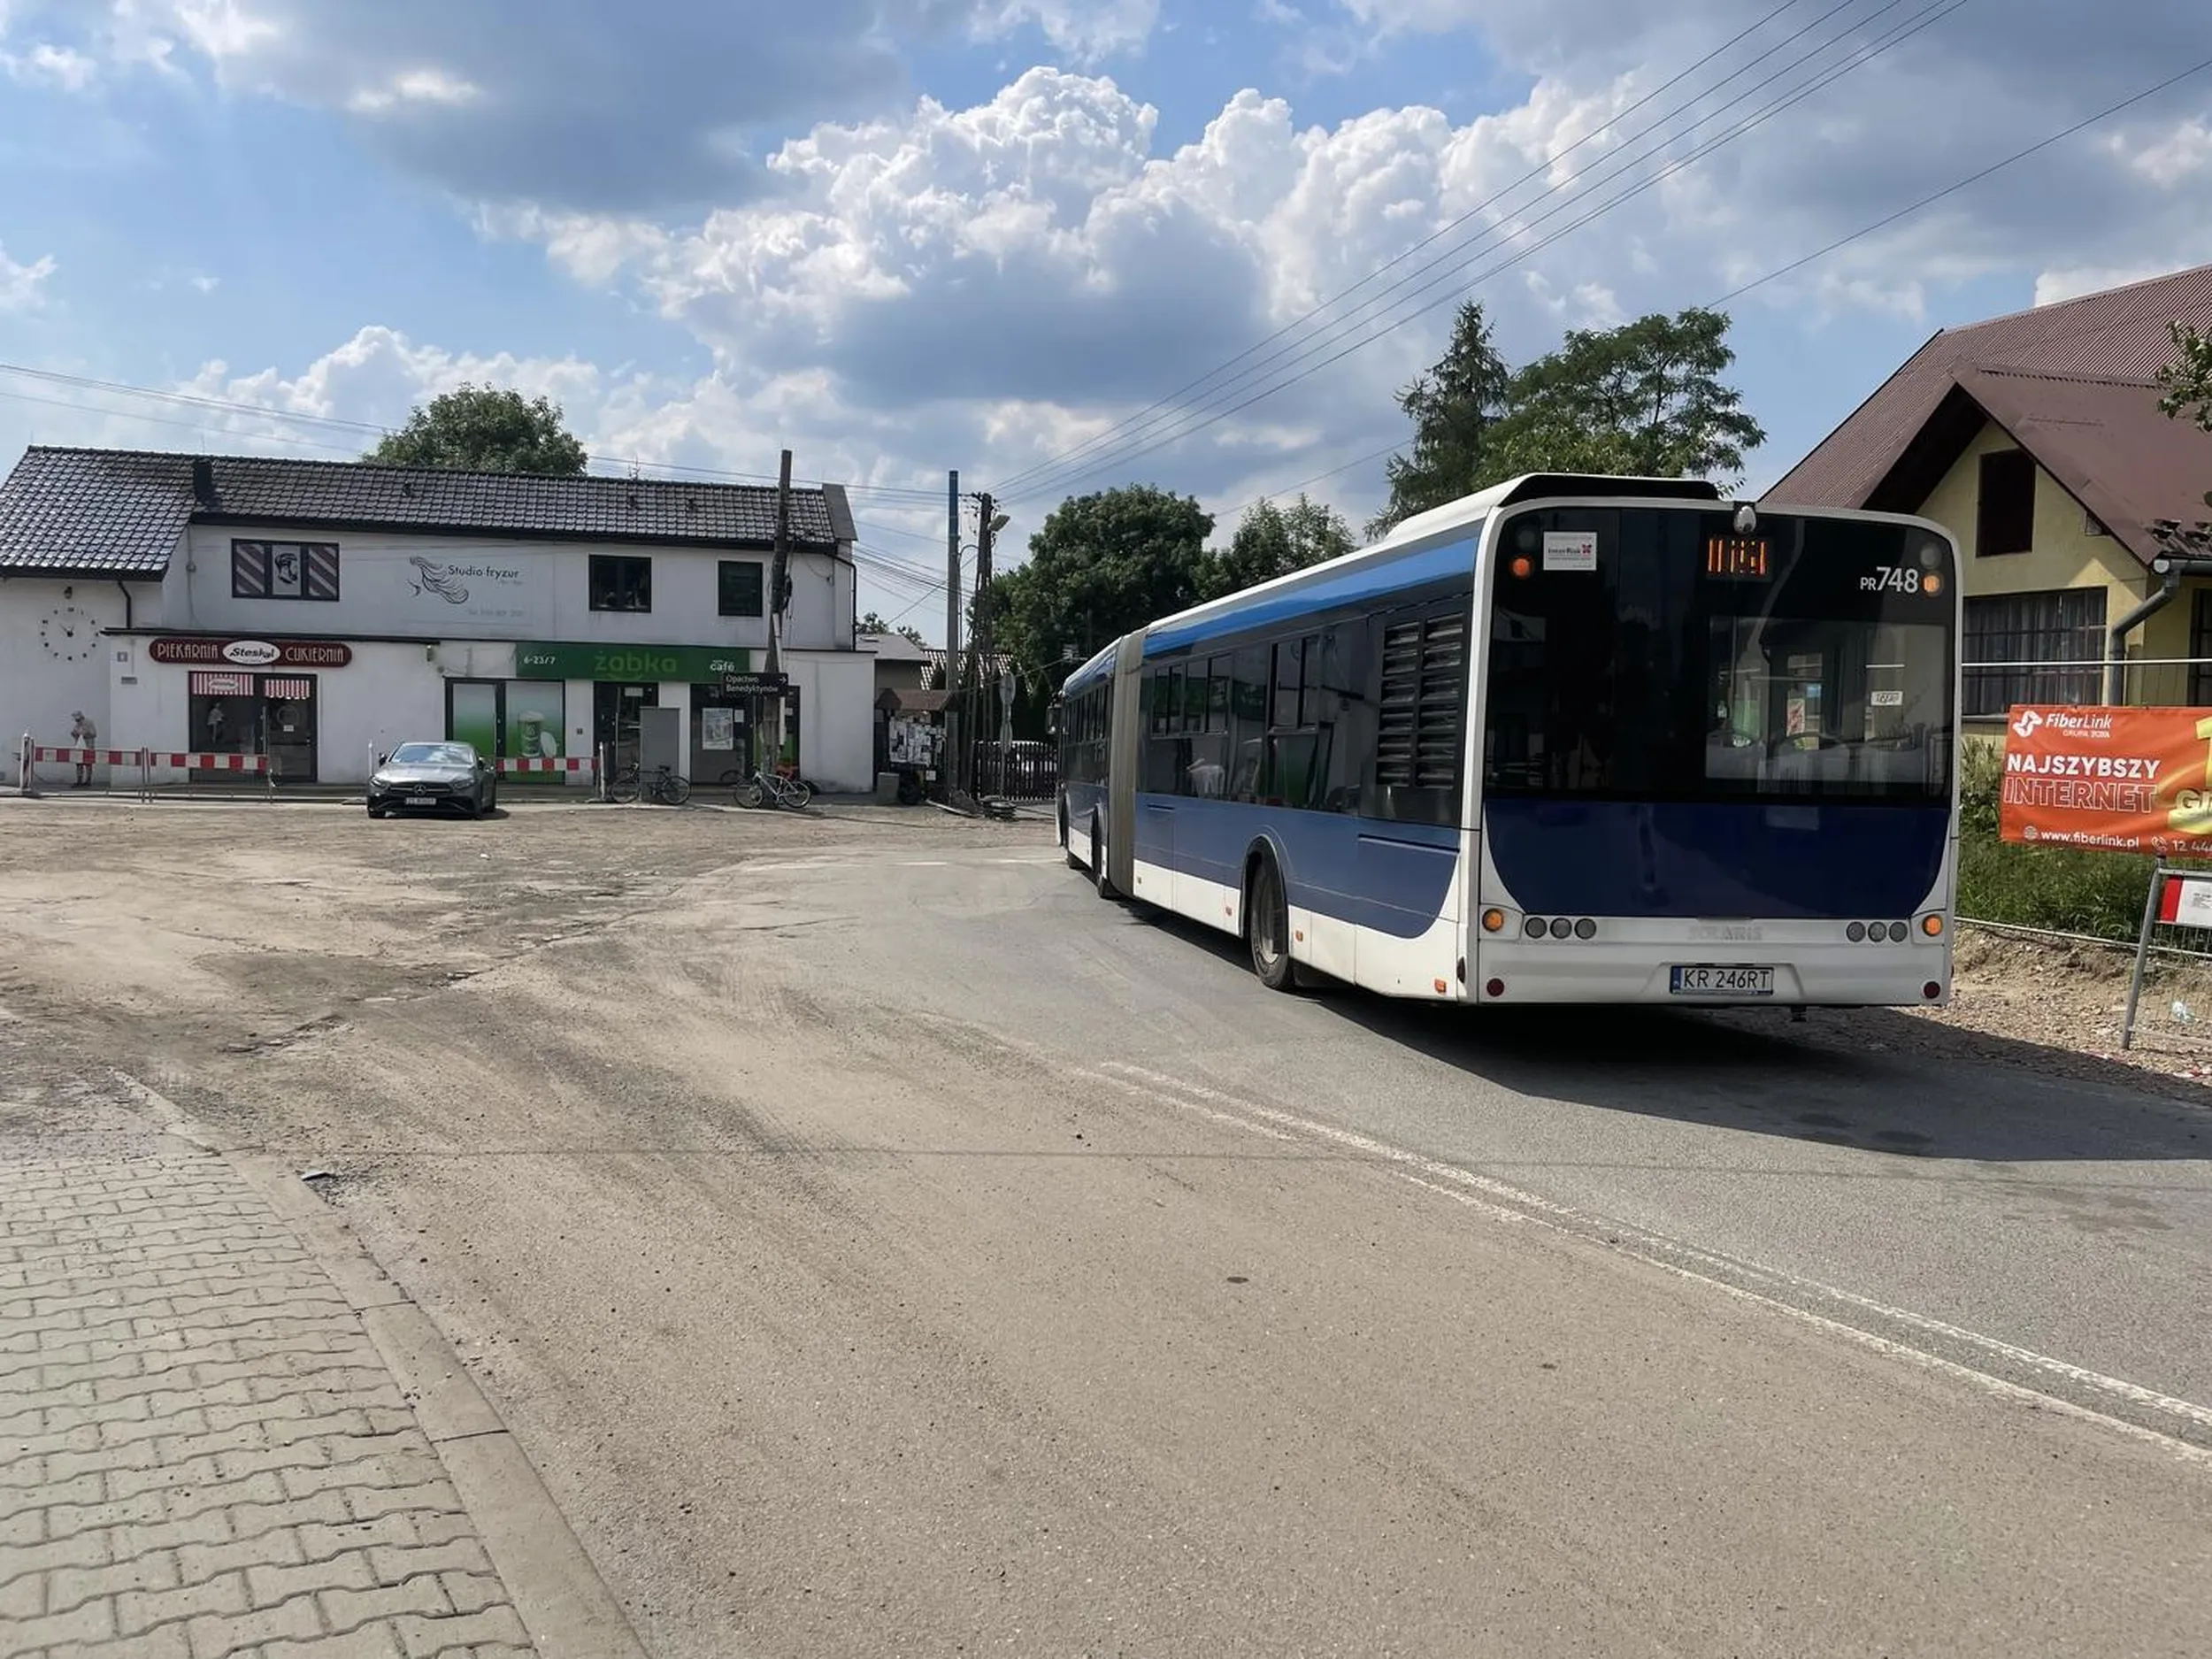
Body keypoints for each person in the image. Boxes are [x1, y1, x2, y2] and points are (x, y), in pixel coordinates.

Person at [68, 710, 96, 787]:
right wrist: (74, 734)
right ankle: (79, 780)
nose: (77, 721)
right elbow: (75, 734)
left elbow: (94, 734)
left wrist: (85, 735)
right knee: (79, 764)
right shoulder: (77, 725)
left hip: (88, 746)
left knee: (88, 764)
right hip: (79, 747)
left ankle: (88, 780)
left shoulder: (89, 723)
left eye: (78, 720)